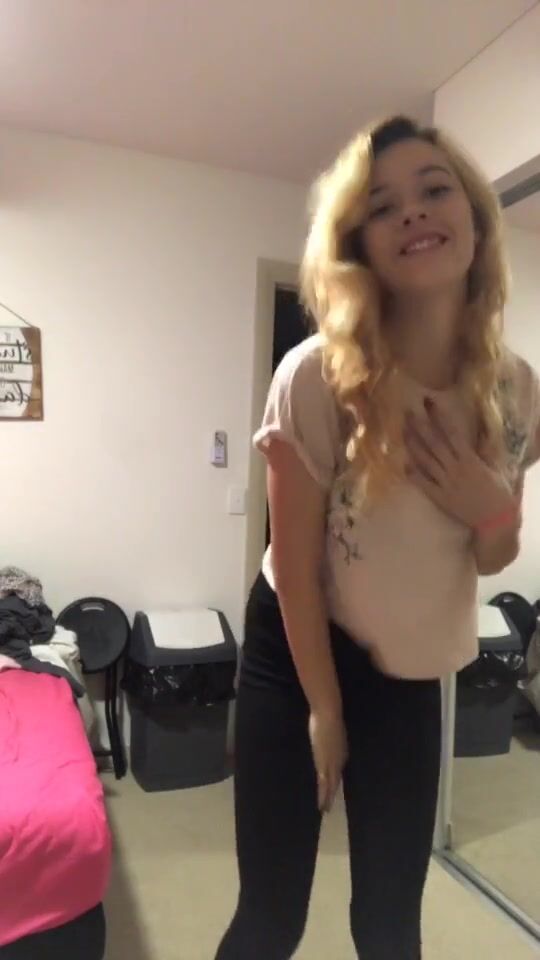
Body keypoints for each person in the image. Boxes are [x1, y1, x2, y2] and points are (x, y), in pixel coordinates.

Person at [215, 116, 540, 960]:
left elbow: (494, 556)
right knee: (270, 919)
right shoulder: (317, 376)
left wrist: (492, 508)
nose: (413, 212)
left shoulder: (516, 391)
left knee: (391, 927)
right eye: (383, 205)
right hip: (296, 655)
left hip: (409, 675)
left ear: (475, 220)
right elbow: (294, 568)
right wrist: (324, 711)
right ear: (359, 244)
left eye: (434, 189)